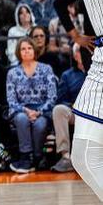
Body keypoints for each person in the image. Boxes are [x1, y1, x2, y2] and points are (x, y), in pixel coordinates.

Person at [5, 37, 57, 173]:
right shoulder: (12, 73)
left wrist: (38, 111)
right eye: (23, 49)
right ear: (18, 52)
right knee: (22, 119)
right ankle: (26, 156)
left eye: (29, 48)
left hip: (42, 109)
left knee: (40, 124)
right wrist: (26, 111)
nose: (26, 51)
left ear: (34, 50)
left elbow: (52, 97)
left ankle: (38, 157)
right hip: (21, 110)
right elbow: (11, 101)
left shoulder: (46, 69)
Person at [49, 44, 87, 173]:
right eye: (81, 51)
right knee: (59, 109)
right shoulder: (67, 75)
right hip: (76, 111)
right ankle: (65, 157)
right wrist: (73, 105)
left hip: (97, 111)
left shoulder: (99, 71)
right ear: (75, 55)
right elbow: (61, 99)